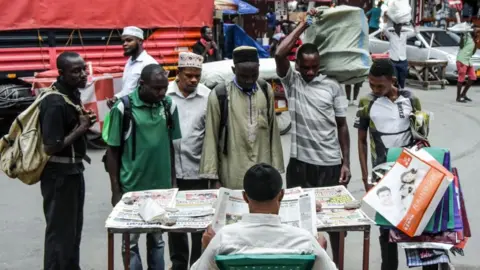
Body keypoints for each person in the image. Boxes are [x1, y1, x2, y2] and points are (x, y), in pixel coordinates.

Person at [275, 9, 351, 266]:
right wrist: (303, 24)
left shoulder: (332, 85)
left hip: (329, 163)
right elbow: (279, 53)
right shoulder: (292, 82)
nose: (309, 72)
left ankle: (337, 265)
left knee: (335, 223)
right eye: (305, 67)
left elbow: (342, 126)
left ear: (320, 65)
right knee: (300, 222)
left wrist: (346, 162)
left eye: (314, 67)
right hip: (300, 164)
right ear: (297, 66)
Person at [354, 59, 437, 270]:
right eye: (371, 84)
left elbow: (422, 138)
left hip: (411, 175)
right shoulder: (367, 103)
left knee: (419, 225)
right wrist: (366, 178)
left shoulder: (411, 100)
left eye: (379, 85)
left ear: (393, 81)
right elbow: (361, 141)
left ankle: (429, 264)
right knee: (386, 231)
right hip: (382, 176)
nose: (374, 89)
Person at [103, 64, 182, 270]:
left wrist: (173, 182)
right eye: (156, 88)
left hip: (161, 189)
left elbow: (170, 147)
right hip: (132, 189)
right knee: (130, 243)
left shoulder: (168, 105)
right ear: (142, 84)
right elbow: (112, 152)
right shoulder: (123, 108)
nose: (161, 92)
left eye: (164, 87)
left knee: (157, 241)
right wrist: (115, 190)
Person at [191, 163, 337, 270]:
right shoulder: (304, 240)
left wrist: (207, 246)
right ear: (281, 195)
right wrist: (321, 249)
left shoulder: (224, 238)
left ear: (245, 197)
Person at [39, 51, 97, 270]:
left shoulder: (71, 94)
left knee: (72, 232)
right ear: (61, 73)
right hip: (59, 176)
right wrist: (81, 128)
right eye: (76, 71)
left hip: (73, 172)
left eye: (83, 69)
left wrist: (82, 125)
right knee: (60, 235)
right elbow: (51, 145)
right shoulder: (54, 102)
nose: (83, 74)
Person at [199, 46, 284, 189]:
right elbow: (211, 137)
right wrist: (213, 177)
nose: (249, 80)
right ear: (234, 70)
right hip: (232, 171)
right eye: (244, 76)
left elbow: (273, 132)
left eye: (253, 75)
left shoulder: (265, 89)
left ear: (258, 69)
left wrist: (276, 168)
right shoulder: (220, 94)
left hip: (262, 168)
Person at [165, 52, 210, 270]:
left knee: (199, 223)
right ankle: (179, 264)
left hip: (198, 170)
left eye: (197, 76)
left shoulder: (207, 97)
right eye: (189, 75)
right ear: (179, 73)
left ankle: (198, 264)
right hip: (172, 171)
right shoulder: (165, 95)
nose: (193, 80)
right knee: (175, 223)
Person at [107, 26, 159, 107]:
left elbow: (154, 94)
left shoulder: (149, 64)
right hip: (127, 109)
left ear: (140, 41)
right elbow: (128, 90)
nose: (124, 44)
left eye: (129, 40)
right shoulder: (129, 62)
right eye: (123, 41)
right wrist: (116, 98)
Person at [382, 15, 419, 90]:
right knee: (394, 79)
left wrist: (412, 22)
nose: (398, 27)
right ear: (394, 27)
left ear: (401, 26)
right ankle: (394, 92)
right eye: (397, 26)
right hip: (393, 60)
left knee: (402, 79)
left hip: (403, 60)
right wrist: (386, 19)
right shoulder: (391, 35)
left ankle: (401, 92)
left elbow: (416, 32)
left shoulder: (404, 35)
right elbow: (384, 29)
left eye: (400, 25)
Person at [456, 30, 477, 102]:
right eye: (475, 30)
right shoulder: (466, 37)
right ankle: (458, 97)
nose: (476, 32)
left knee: (473, 77)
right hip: (462, 60)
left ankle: (463, 94)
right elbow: (461, 45)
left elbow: (473, 53)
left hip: (468, 61)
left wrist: (476, 44)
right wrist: (462, 37)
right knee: (461, 78)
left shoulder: (474, 41)